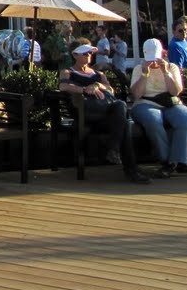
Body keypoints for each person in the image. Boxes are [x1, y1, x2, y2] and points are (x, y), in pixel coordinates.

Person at [59, 41, 150, 184]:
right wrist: (84, 89)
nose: (89, 55)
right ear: (75, 54)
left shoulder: (99, 74)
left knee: (124, 121)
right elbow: (63, 86)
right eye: (85, 53)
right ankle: (128, 166)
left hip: (105, 114)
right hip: (86, 113)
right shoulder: (68, 72)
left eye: (90, 52)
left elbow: (110, 90)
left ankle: (122, 159)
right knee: (121, 110)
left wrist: (97, 85)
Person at [130, 38, 187, 178]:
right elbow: (137, 94)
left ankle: (177, 160)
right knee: (153, 119)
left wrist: (166, 73)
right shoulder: (138, 69)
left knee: (184, 117)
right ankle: (166, 160)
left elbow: (175, 91)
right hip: (145, 103)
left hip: (169, 103)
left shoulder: (172, 67)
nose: (153, 62)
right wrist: (145, 74)